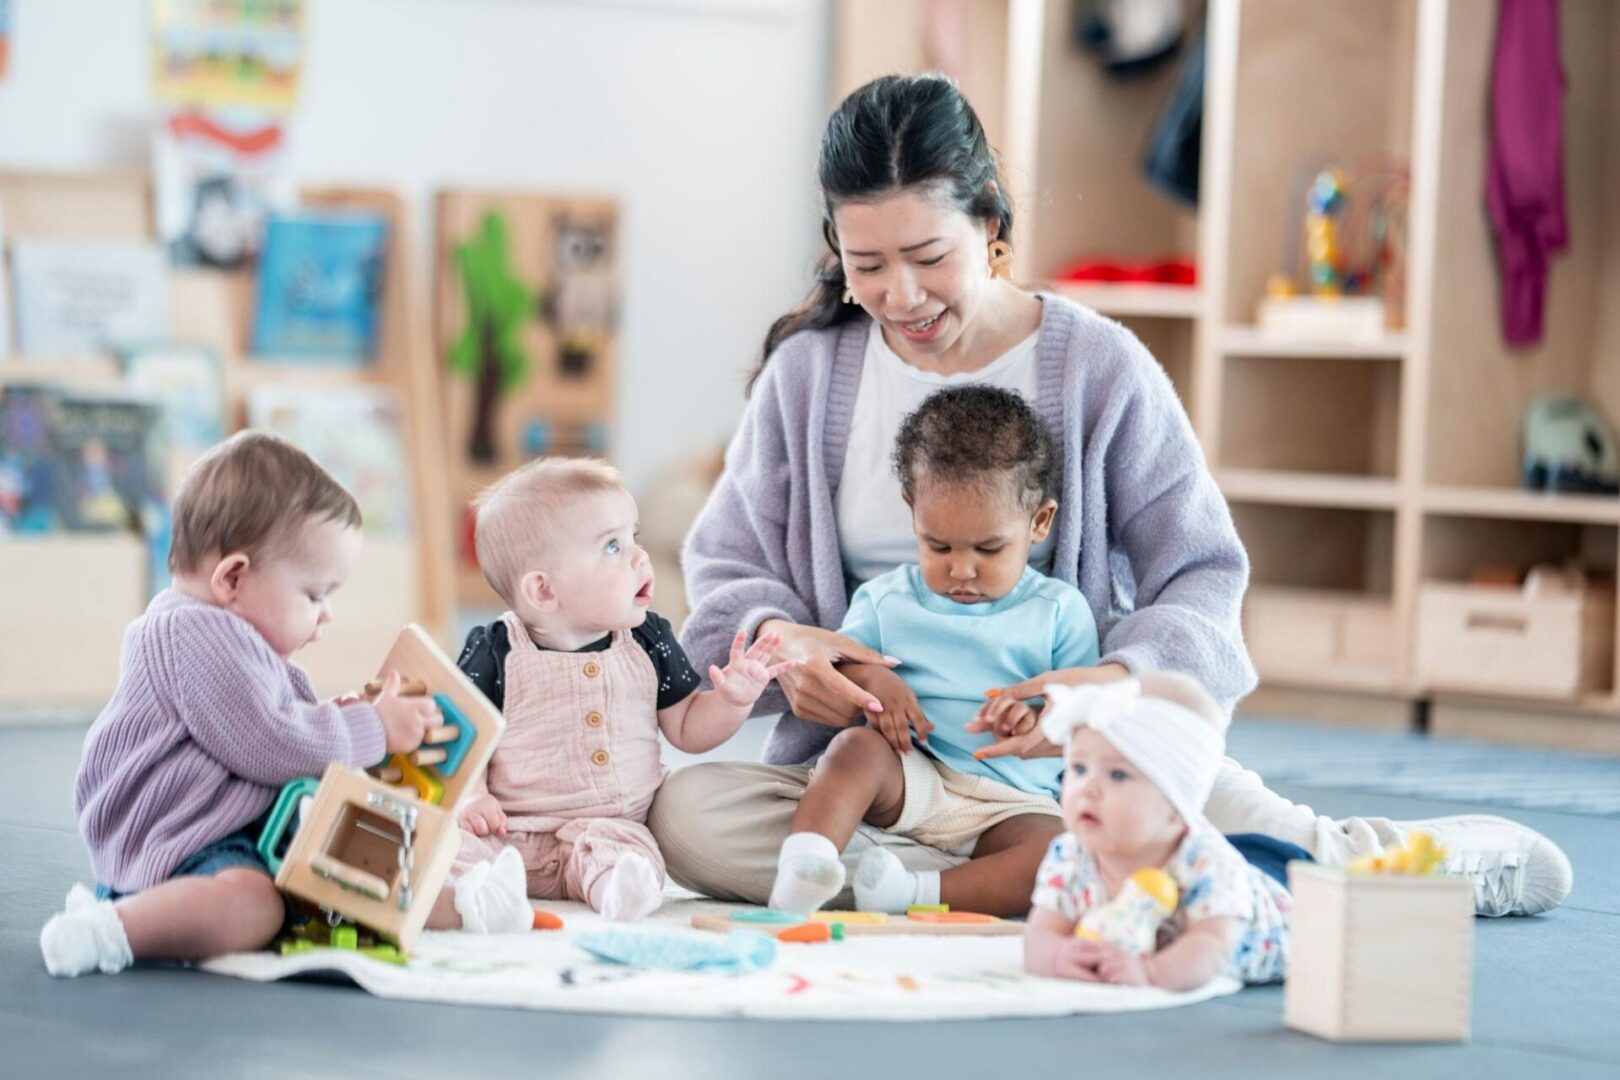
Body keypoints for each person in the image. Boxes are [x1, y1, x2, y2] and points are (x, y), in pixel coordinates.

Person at [653, 72, 1572, 919]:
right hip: (888, 774)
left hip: (1082, 761)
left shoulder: (1097, 367)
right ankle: (1025, 883)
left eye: (928, 256)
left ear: (992, 228)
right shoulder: (808, 377)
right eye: (867, 265)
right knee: (688, 816)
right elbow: (732, 569)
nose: (900, 295)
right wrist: (798, 662)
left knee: (1273, 848)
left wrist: (1100, 689)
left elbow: (1201, 573)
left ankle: (1385, 860)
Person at [40, 432, 441, 977]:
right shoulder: (195, 633)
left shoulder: (219, 633)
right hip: (177, 840)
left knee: (326, 877)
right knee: (257, 907)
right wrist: (368, 727)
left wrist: (339, 717)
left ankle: (456, 901)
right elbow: (273, 742)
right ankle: (115, 929)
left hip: (208, 829)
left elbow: (270, 720)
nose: (326, 615)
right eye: (315, 594)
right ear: (232, 577)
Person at [770, 385, 1097, 915]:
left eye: (989, 549)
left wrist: (1037, 719)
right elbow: (839, 668)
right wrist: (875, 682)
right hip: (913, 778)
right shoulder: (885, 600)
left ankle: (912, 893)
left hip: (1014, 803)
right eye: (938, 546)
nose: (960, 569)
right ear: (912, 511)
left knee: (1066, 857)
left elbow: (1083, 719)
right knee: (853, 752)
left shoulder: (1060, 610)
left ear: (1039, 522)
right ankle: (804, 864)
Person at [433, 457, 792, 927]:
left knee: (632, 856)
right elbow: (460, 732)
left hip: (612, 828)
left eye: (635, 538)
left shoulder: (649, 639)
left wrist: (731, 701)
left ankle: (617, 892)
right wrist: (471, 797)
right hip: (511, 831)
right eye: (612, 546)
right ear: (543, 591)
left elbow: (687, 728)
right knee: (450, 843)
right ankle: (474, 898)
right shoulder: (497, 651)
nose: (639, 557)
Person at [1024, 676, 1291, 989]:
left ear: (1178, 804)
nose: (1088, 789)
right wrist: (1056, 955)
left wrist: (1150, 973)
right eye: (1079, 768)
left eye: (1118, 774)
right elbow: (1040, 935)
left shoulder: (1209, 863)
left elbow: (1212, 945)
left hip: (1293, 919)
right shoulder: (1070, 855)